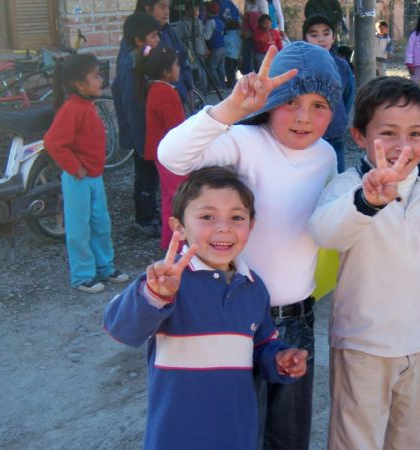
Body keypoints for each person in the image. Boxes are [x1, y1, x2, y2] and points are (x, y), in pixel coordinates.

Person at [159, 43, 341, 450]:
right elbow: (171, 155)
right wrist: (231, 109)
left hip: (299, 318)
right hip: (241, 319)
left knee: (290, 435)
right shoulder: (244, 141)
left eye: (319, 104)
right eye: (290, 101)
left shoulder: (327, 156)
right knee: (241, 433)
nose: (303, 117)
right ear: (270, 101)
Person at [308, 76, 420, 449]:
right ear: (360, 135)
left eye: (415, 133)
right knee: (356, 440)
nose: (403, 146)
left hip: (417, 344)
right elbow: (324, 233)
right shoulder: (348, 186)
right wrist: (367, 202)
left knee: (411, 438)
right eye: (389, 133)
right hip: (361, 344)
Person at [103, 166, 308, 450]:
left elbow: (260, 347)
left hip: (237, 434)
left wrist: (279, 359)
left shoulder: (253, 287)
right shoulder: (166, 282)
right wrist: (154, 295)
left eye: (236, 217)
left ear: (252, 225)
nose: (223, 227)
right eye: (207, 216)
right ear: (178, 227)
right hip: (175, 436)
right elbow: (120, 328)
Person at [43, 54, 130, 293]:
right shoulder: (72, 109)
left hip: (94, 177)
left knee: (101, 224)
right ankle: (83, 275)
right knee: (79, 228)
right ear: (80, 85)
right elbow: (53, 142)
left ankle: (104, 267)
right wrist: (74, 167)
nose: (100, 80)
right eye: (96, 76)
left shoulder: (86, 105)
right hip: (77, 180)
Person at [112, 12, 163, 237]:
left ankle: (150, 214)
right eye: (153, 36)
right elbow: (132, 106)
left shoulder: (140, 60)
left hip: (146, 132)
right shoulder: (132, 67)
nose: (158, 40)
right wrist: (141, 139)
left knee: (149, 176)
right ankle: (145, 220)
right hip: (141, 133)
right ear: (139, 40)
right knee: (144, 177)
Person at [141, 46, 188, 250]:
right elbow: (177, 129)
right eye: (177, 65)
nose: (179, 68)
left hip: (161, 153)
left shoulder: (155, 89)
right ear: (167, 71)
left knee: (169, 196)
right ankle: (176, 244)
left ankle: (170, 241)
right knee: (178, 198)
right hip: (172, 155)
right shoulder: (166, 93)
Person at [304, 14, 355, 173]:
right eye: (314, 35)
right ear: (305, 38)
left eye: (326, 33)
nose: (321, 39)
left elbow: (348, 96)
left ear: (333, 37)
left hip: (334, 136)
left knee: (336, 182)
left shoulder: (342, 65)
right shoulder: (300, 65)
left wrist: (339, 116)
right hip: (306, 136)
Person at [135, 0, 194, 101]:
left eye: (168, 7)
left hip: (178, 97)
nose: (167, 12)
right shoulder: (139, 38)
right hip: (158, 102)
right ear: (148, 8)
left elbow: (183, 59)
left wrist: (188, 87)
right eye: (162, 7)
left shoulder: (168, 32)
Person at [241, 0, 269, 75]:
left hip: (259, 35)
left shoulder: (262, 2)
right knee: (246, 57)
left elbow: (265, 19)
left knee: (258, 59)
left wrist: (251, 16)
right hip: (247, 34)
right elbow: (243, 17)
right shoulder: (246, 3)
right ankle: (247, 77)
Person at [204, 1, 227, 89]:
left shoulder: (210, 22)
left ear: (208, 11)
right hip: (222, 47)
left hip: (215, 48)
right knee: (221, 67)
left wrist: (201, 32)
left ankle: (217, 87)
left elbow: (207, 37)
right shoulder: (220, 21)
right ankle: (223, 86)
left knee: (212, 67)